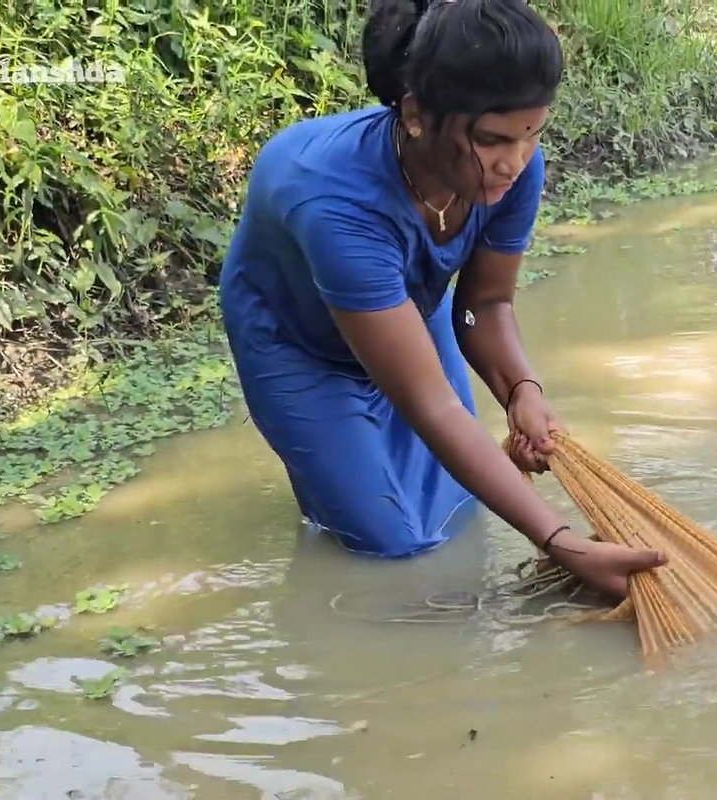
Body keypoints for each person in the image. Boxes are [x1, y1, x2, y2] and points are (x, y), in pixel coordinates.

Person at [216, 0, 667, 601]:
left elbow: (485, 305)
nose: (515, 161)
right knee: (391, 546)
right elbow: (432, 404)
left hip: (406, 307)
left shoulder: (510, 169)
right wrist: (559, 540)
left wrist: (521, 391)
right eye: (491, 140)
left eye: (533, 133)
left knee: (459, 510)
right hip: (296, 339)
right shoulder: (334, 204)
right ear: (418, 117)